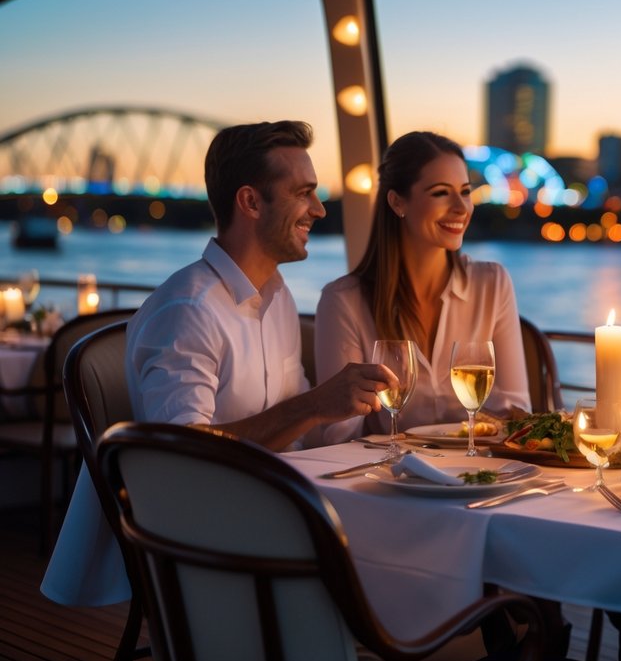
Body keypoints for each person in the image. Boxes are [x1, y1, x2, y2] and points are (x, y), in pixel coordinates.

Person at [43, 120, 392, 606]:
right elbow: (181, 454)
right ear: (250, 202)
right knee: (395, 557)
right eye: (303, 193)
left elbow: (302, 425)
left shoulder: (278, 298)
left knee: (400, 524)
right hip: (212, 545)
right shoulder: (188, 310)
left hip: (273, 508)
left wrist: (363, 413)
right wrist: (314, 405)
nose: (318, 209)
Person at [314, 131, 530, 445]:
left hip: (476, 467)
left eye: (465, 191)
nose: (461, 207)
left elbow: (516, 411)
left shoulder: (492, 284)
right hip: (389, 471)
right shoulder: (343, 301)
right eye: (441, 193)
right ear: (397, 201)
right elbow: (338, 436)